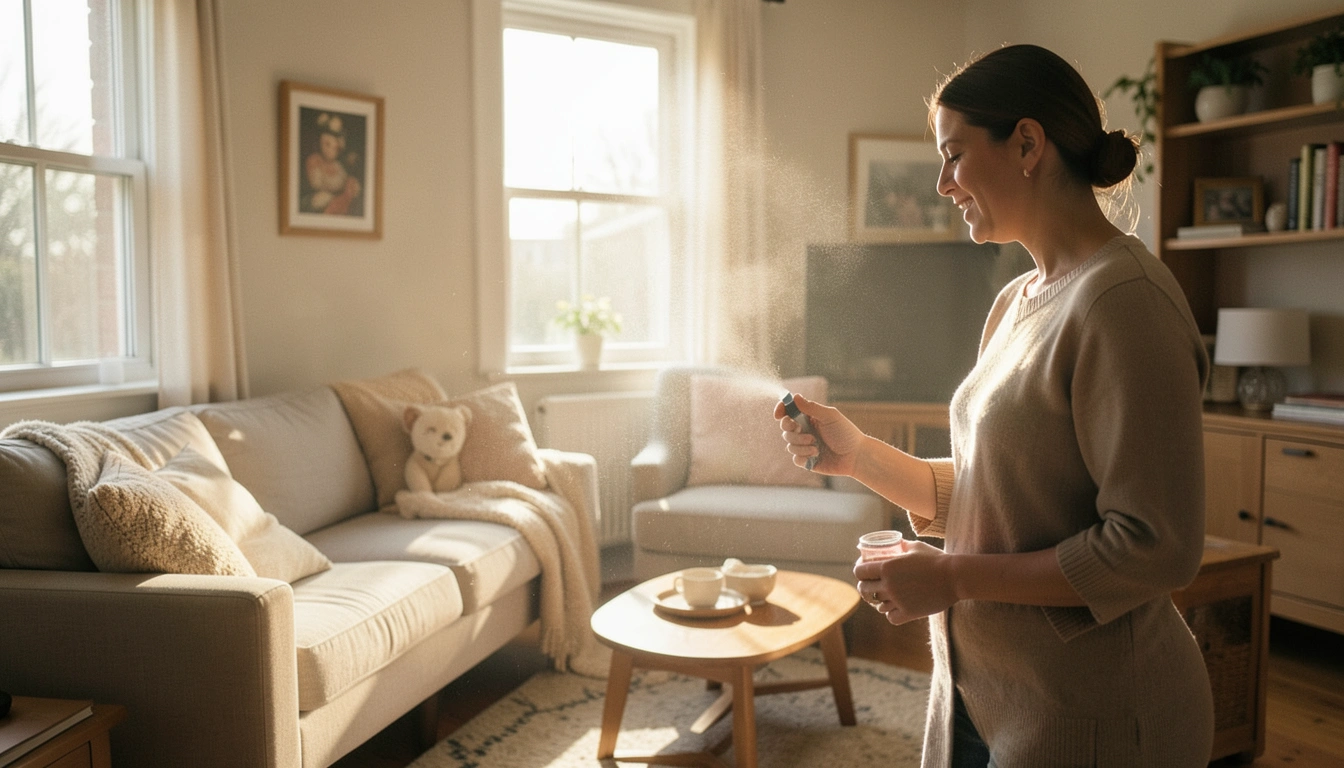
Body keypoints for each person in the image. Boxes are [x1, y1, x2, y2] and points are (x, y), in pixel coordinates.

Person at [777, 44, 1213, 767]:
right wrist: (857, 456)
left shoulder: (1125, 303)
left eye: (953, 155)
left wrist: (951, 577)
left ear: (1027, 144)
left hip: (1096, 719)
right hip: (985, 697)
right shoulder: (1016, 300)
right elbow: (1000, 496)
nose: (942, 183)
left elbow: (1154, 547)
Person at [303, 112, 362, 215]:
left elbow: (345, 185)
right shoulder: (314, 160)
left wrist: (351, 185)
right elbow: (316, 185)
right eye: (327, 144)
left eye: (335, 147)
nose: (331, 149)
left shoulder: (339, 166)